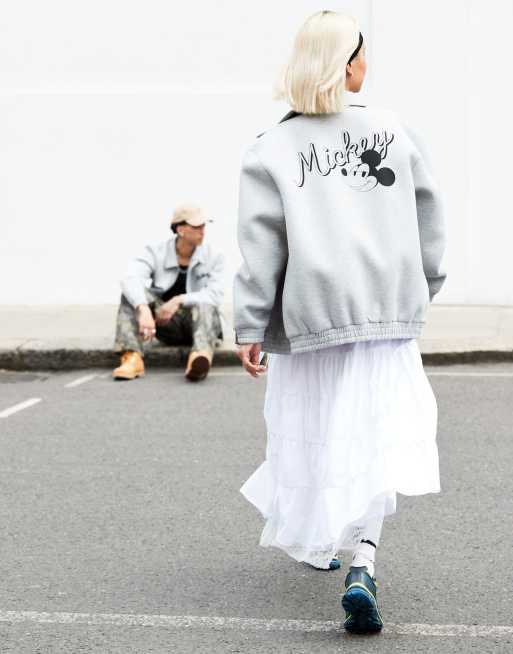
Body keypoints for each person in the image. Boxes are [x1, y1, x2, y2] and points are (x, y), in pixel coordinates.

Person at [232, 10, 447, 634]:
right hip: (384, 313)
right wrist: (424, 285)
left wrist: (250, 325)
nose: (366, 64)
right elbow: (428, 218)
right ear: (345, 64)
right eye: (361, 53)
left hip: (311, 319)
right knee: (373, 437)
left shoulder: (271, 146)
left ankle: (323, 539)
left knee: (321, 432)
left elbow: (261, 245)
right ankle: (363, 563)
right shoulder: (392, 130)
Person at [113, 203, 225, 382]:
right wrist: (143, 308)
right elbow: (130, 278)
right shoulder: (156, 251)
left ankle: (199, 358)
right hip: (166, 323)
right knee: (132, 295)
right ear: (180, 230)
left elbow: (216, 294)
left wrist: (179, 300)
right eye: (197, 226)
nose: (203, 230)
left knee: (205, 303)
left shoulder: (214, 255)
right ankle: (132, 357)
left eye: (204, 225)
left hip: (203, 325)